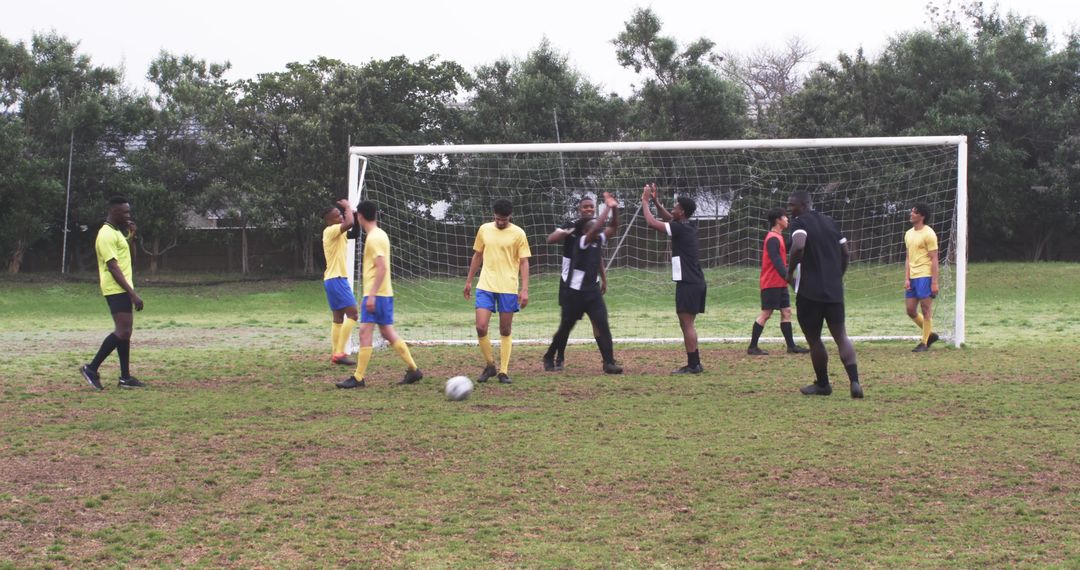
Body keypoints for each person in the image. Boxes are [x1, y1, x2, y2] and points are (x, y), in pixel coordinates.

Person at [336, 201, 423, 388]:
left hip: (377, 294)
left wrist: (372, 295)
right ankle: (414, 370)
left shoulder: (374, 238)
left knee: (365, 332)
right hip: (384, 294)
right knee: (387, 332)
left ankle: (358, 378)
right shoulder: (379, 234)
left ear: (359, 216)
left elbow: (382, 268)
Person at [785, 191, 863, 398]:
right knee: (841, 336)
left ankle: (823, 384)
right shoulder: (830, 222)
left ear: (803, 205)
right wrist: (838, 275)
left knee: (814, 340)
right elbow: (845, 253)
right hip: (834, 290)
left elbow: (799, 246)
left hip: (809, 291)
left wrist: (789, 271)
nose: (789, 209)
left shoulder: (799, 223)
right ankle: (854, 382)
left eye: (791, 205)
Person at [543, 192, 623, 374]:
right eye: (585, 207)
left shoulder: (596, 239)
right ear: (579, 210)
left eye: (591, 206)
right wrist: (608, 207)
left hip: (592, 291)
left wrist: (615, 209)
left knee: (602, 322)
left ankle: (609, 362)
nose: (589, 209)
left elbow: (613, 227)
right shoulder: (582, 240)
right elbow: (597, 228)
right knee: (566, 327)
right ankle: (551, 355)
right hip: (574, 291)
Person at [80, 196, 145, 390]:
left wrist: (132, 237)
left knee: (125, 332)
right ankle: (91, 368)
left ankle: (125, 378)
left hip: (122, 287)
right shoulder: (106, 234)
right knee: (122, 331)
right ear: (114, 212)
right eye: (124, 212)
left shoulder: (117, 234)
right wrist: (132, 293)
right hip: (115, 288)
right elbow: (113, 267)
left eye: (128, 212)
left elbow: (130, 261)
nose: (128, 215)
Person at [464, 199, 532, 384]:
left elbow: (524, 261)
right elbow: (477, 255)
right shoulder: (484, 229)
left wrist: (524, 289)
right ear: (493, 215)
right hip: (485, 285)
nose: (500, 222)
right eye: (497, 219)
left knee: (505, 329)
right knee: (480, 326)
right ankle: (490, 365)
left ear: (510, 216)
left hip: (508, 287)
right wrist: (469, 280)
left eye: (504, 219)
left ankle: (503, 371)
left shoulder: (519, 233)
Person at [640, 183, 706, 374]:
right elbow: (668, 218)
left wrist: (645, 201)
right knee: (687, 324)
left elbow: (652, 223)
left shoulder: (680, 229)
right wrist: (655, 202)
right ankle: (695, 362)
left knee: (687, 324)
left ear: (682, 212)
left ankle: (693, 365)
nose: (673, 209)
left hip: (689, 283)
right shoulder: (688, 225)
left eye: (676, 207)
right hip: (694, 281)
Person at [748, 207, 810, 356]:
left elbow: (786, 248)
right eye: (785, 217)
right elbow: (777, 262)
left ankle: (791, 346)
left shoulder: (778, 237)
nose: (787, 219)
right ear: (778, 220)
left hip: (780, 282)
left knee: (786, 312)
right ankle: (752, 347)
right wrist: (792, 280)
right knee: (766, 314)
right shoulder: (772, 238)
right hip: (771, 282)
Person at [322, 199, 359, 366]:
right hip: (336, 279)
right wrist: (348, 208)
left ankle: (335, 354)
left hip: (332, 279)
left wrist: (355, 215)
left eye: (341, 215)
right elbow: (349, 223)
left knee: (338, 318)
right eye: (337, 216)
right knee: (353, 314)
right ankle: (339, 353)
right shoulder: (331, 230)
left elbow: (355, 232)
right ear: (329, 221)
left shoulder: (338, 232)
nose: (341, 218)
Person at [905, 202, 941, 352]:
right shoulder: (908, 233)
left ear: (922, 216)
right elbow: (908, 257)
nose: (911, 214)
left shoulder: (929, 233)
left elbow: (934, 258)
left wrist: (934, 282)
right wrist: (906, 278)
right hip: (912, 277)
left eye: (915, 212)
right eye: (912, 211)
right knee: (910, 310)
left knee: (926, 310)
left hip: (925, 276)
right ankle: (930, 335)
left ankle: (924, 343)